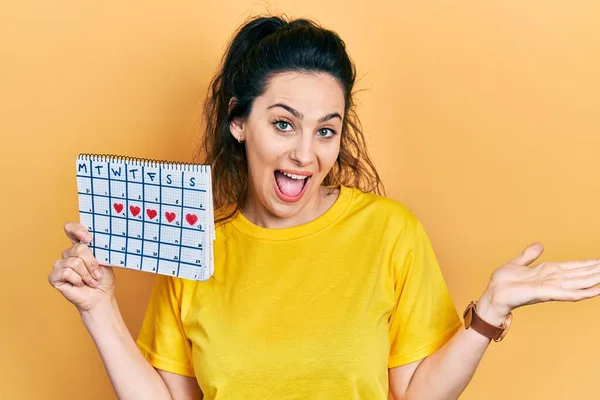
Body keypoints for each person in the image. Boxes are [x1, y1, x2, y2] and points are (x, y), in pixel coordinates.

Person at [48, 15, 600, 400]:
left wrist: (490, 313)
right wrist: (98, 310)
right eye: (283, 124)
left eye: (326, 130)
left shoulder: (389, 232)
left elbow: (415, 394)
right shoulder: (195, 246)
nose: (305, 155)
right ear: (239, 122)